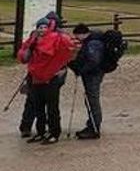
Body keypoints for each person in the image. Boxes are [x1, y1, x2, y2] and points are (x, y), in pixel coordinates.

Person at [17, 16, 76, 145]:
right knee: (38, 107)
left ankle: (54, 133)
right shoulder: (33, 40)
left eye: (44, 27)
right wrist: (30, 48)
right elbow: (24, 57)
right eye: (40, 27)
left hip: (51, 78)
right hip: (36, 78)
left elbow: (69, 50)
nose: (42, 29)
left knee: (52, 107)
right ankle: (41, 132)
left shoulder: (57, 39)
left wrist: (61, 67)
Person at [70, 24, 104, 139]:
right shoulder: (92, 41)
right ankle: (92, 125)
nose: (77, 39)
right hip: (93, 74)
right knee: (91, 99)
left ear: (82, 34)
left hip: (93, 75)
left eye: (77, 36)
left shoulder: (92, 44)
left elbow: (93, 61)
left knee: (92, 100)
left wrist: (81, 70)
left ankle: (94, 128)